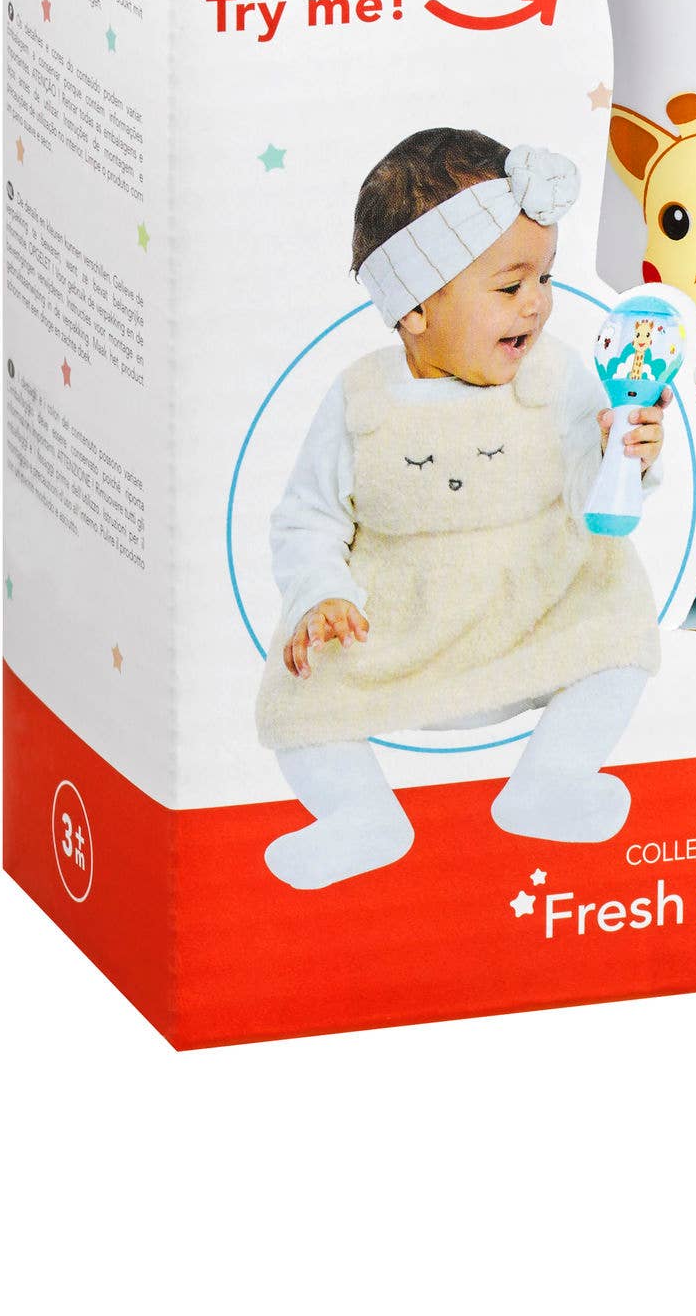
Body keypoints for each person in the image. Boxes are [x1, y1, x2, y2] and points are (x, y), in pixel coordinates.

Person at [256, 130, 664, 889]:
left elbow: (593, 494)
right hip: (400, 626)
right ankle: (360, 815)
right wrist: (321, 595)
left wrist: (626, 454)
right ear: (414, 307)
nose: (538, 303)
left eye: (545, 276)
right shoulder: (362, 398)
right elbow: (308, 517)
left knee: (619, 630)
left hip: (537, 603)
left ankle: (551, 779)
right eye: (510, 287)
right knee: (298, 689)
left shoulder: (554, 376)